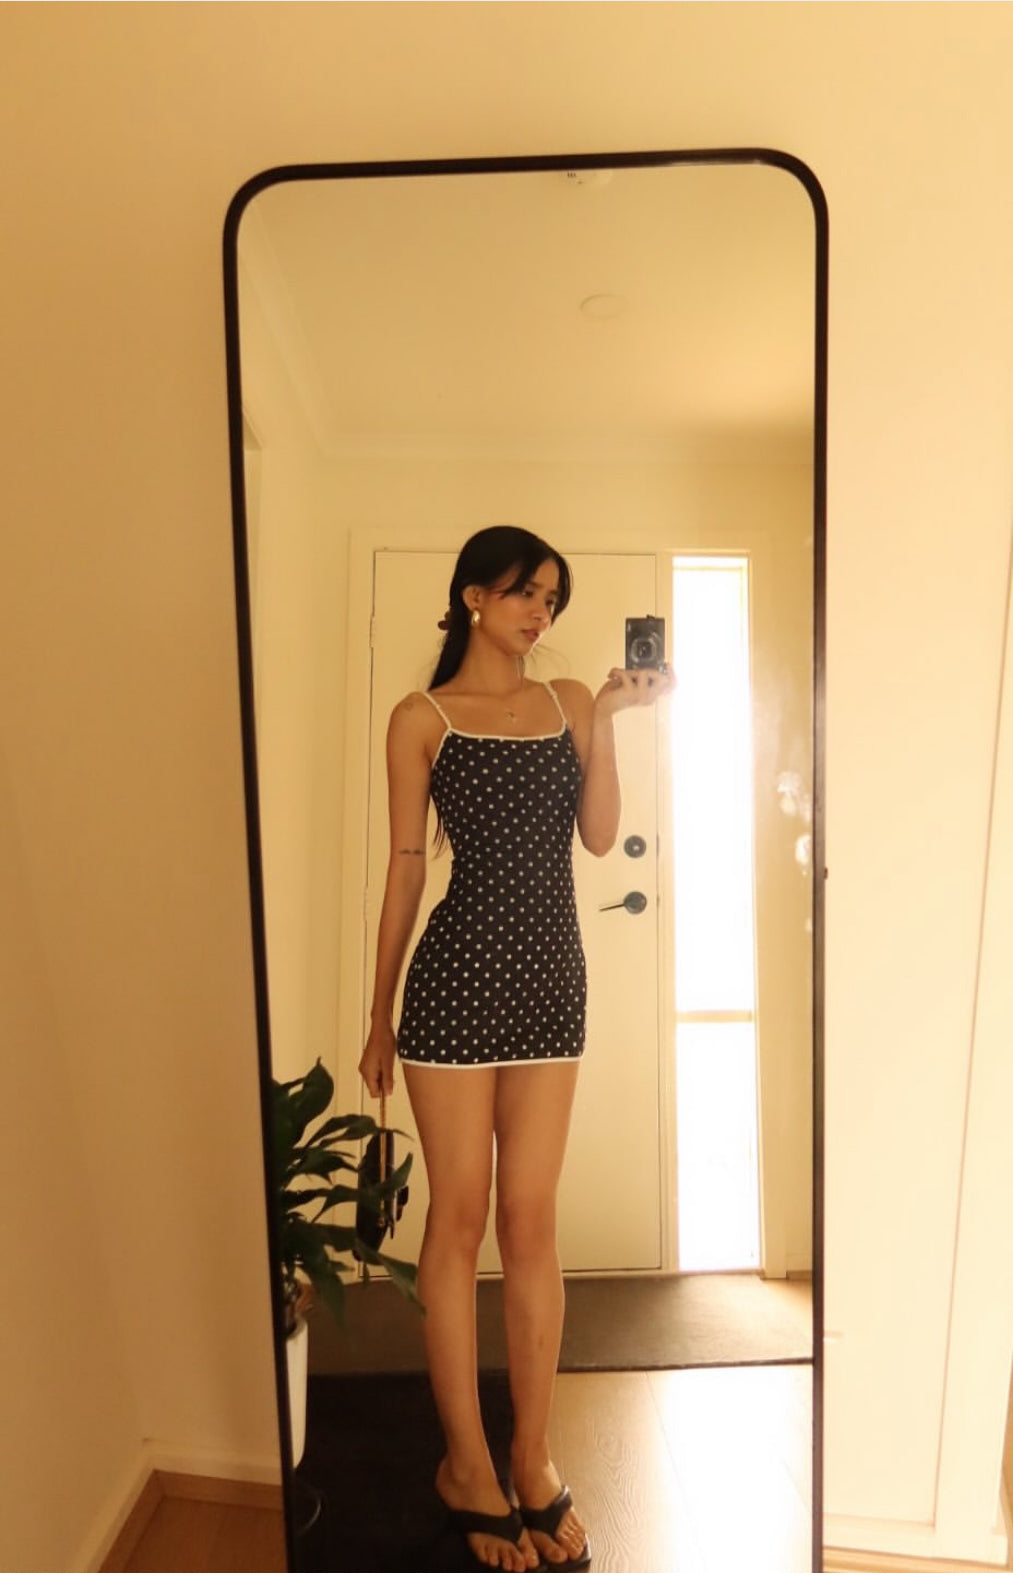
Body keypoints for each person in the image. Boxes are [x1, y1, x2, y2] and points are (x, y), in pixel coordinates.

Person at [359, 525, 675, 1572]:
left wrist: (613, 719)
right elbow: (408, 866)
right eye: (524, 592)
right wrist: (377, 1013)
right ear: (471, 596)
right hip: (450, 988)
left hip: (549, 985)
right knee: (456, 1221)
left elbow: (597, 836)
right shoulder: (422, 717)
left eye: (550, 597)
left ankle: (531, 1460)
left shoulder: (571, 701)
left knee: (531, 1220)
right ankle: (466, 1467)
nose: (540, 611)